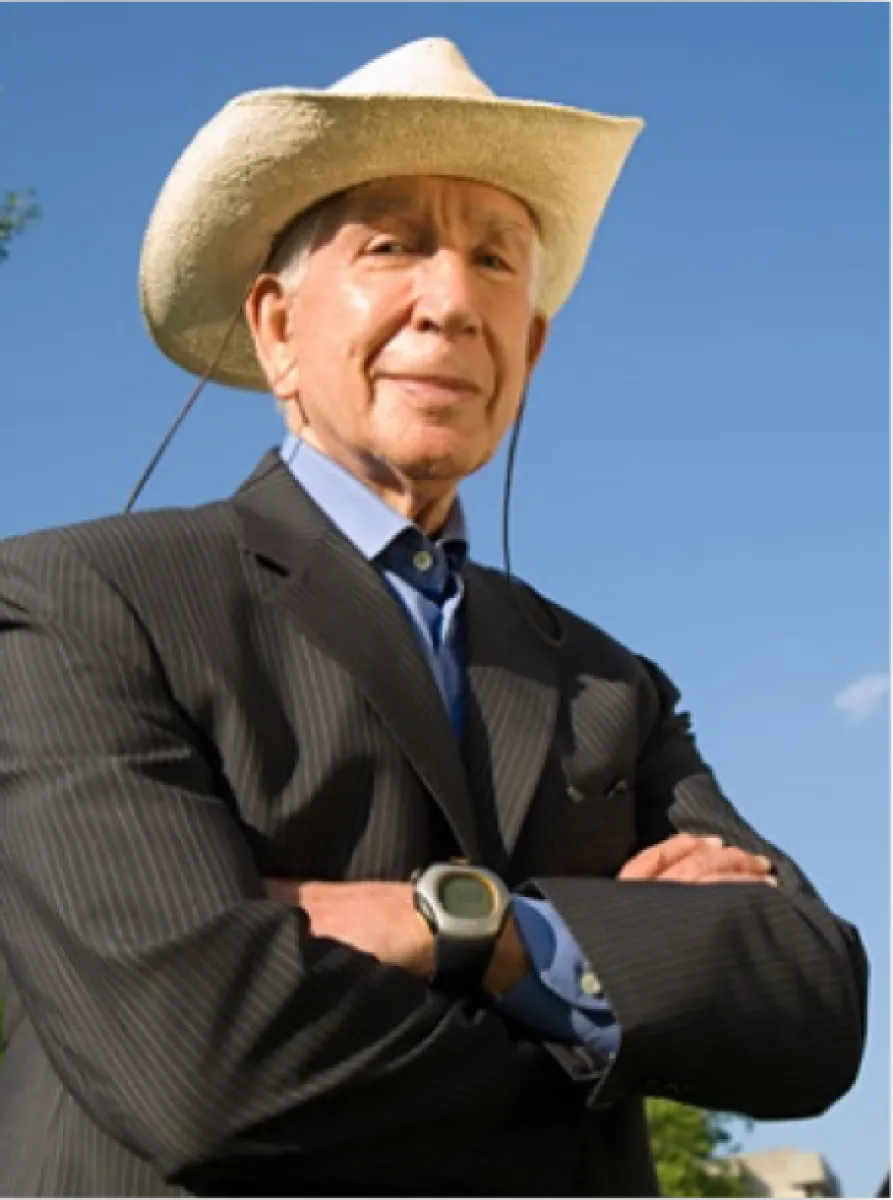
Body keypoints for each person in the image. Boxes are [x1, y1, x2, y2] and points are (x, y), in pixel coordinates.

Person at [0, 36, 868, 1200]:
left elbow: (810, 1009)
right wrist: (610, 984)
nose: (453, 302)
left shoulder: (610, 685)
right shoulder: (77, 602)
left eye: (497, 259)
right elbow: (201, 1062)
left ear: (531, 345)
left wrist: (462, 928)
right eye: (392, 245)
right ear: (272, 328)